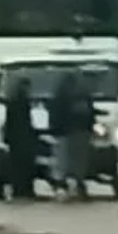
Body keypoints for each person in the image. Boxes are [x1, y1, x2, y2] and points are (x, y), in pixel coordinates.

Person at [49, 71, 95, 201]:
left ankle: (63, 187)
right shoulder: (83, 96)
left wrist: (54, 130)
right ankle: (77, 187)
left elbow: (55, 115)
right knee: (78, 162)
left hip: (66, 133)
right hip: (78, 133)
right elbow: (89, 115)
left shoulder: (60, 96)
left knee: (64, 161)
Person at [2, 76, 39, 199]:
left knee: (18, 165)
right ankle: (24, 189)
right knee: (24, 165)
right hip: (22, 139)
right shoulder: (22, 102)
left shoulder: (13, 102)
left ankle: (19, 189)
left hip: (16, 139)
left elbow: (9, 122)